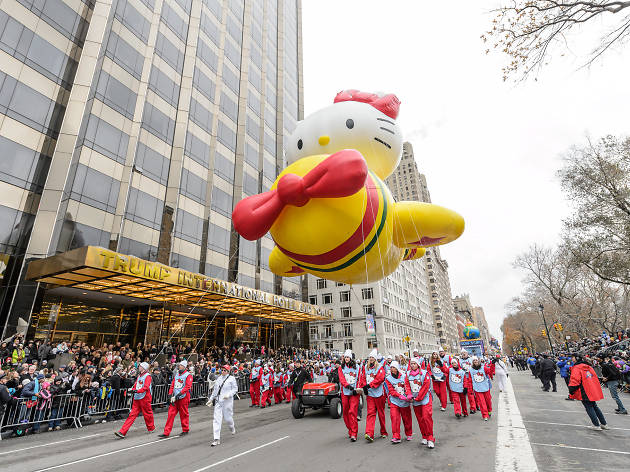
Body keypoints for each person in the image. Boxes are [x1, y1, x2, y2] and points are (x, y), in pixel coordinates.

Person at [115, 362, 155, 438]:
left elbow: (146, 387)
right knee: (132, 415)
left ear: (143, 368)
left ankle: (151, 427)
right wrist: (132, 389)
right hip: (137, 397)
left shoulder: (148, 376)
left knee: (147, 414)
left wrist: (136, 391)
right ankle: (122, 431)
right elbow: (136, 385)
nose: (138, 367)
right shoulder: (139, 376)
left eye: (140, 366)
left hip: (145, 398)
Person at [568, 356, 609, 430]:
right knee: (594, 406)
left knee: (589, 407)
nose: (572, 359)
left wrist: (571, 390)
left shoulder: (577, 367)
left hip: (584, 390)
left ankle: (596, 425)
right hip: (592, 388)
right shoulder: (589, 367)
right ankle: (604, 424)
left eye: (573, 357)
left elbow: (575, 380)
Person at [357, 349, 387, 442]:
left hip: (379, 395)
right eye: (370, 357)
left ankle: (383, 431)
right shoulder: (365, 367)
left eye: (373, 357)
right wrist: (363, 386)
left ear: (375, 359)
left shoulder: (380, 368)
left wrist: (369, 385)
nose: (371, 359)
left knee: (381, 414)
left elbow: (380, 379)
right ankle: (369, 433)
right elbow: (363, 378)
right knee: (370, 414)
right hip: (370, 395)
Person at [405, 357, 434, 448]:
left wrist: (418, 398)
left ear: (418, 364)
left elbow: (425, 387)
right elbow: (407, 385)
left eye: (414, 363)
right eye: (411, 364)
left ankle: (430, 438)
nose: (413, 365)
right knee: (420, 419)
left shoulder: (425, 373)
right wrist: (409, 395)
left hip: (424, 399)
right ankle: (424, 436)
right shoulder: (408, 374)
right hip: (415, 400)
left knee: (426, 417)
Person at [159, 359, 193, 438]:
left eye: (180, 365)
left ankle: (185, 429)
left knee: (183, 414)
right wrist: (169, 395)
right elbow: (172, 385)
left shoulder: (188, 375)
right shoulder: (177, 374)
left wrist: (179, 394)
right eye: (179, 365)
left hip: (183, 397)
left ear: (184, 367)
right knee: (170, 414)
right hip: (175, 397)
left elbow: (188, 386)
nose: (179, 366)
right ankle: (166, 432)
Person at [209, 365, 238, 446]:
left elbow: (235, 389)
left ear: (228, 371)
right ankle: (216, 438)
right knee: (216, 419)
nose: (223, 371)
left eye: (225, 370)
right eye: (222, 370)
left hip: (227, 401)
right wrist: (211, 399)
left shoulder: (231, 379)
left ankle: (232, 427)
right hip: (219, 401)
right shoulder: (219, 379)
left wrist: (229, 395)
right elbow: (215, 390)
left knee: (228, 418)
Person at [385, 360, 412, 444]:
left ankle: (409, 433)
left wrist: (408, 395)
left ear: (397, 368)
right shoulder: (388, 378)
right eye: (391, 367)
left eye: (394, 367)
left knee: (406, 419)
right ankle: (396, 436)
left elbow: (407, 387)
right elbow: (391, 390)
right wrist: (399, 395)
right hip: (395, 401)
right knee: (394, 418)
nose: (392, 369)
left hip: (405, 402)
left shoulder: (404, 376)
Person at [338, 349, 360, 441]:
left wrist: (356, 388)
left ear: (351, 358)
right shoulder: (341, 368)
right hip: (345, 392)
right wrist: (348, 386)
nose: (346, 358)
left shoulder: (357, 367)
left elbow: (359, 378)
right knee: (346, 412)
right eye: (345, 357)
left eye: (348, 357)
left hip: (354, 393)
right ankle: (350, 430)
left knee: (352, 411)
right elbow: (342, 379)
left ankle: (354, 433)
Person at [469, 357, 494, 421]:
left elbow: (490, 371)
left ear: (478, 361)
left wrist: (493, 364)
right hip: (477, 389)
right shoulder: (471, 370)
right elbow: (470, 380)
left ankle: (489, 410)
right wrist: (470, 389)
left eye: (476, 360)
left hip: (485, 387)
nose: (475, 361)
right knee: (482, 403)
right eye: (474, 360)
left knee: (488, 401)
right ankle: (485, 415)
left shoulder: (484, 368)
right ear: (472, 362)